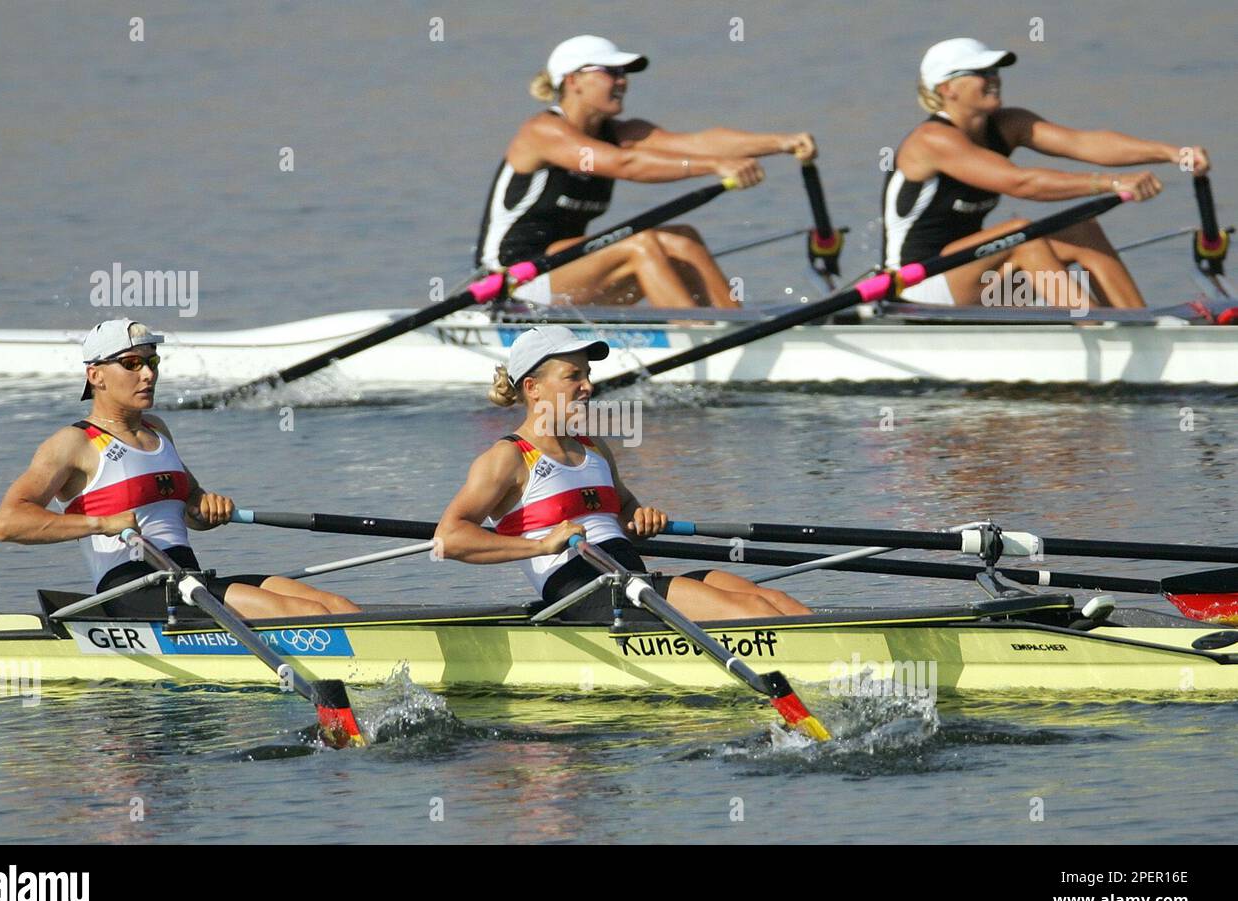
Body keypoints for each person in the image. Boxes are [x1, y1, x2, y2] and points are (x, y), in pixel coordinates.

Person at [434, 325, 811, 621]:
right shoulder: (508, 457)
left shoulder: (594, 448)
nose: (588, 385)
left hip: (629, 579)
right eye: (573, 376)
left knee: (775, 601)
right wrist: (540, 546)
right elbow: (449, 539)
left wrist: (639, 516)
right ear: (532, 388)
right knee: (750, 615)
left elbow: (624, 507)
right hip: (585, 592)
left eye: (587, 373)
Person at [0, 319, 360, 619]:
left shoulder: (157, 430)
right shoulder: (74, 443)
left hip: (188, 580)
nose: (148, 375)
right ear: (95, 375)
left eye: (151, 362)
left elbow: (192, 510)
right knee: (302, 612)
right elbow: (9, 523)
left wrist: (208, 508)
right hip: (135, 592)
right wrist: (101, 524)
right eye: (131, 364)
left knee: (336, 606)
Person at [475, 34, 818, 309]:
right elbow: (626, 165)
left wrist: (781, 142)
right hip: (510, 279)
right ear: (573, 80)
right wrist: (713, 167)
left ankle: (735, 326)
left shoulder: (622, 132)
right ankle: (697, 337)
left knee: (682, 237)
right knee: (640, 243)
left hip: (563, 270)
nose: (622, 82)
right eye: (611, 72)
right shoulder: (543, 132)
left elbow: (698, 143)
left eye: (624, 74)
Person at [883, 37, 1210, 308]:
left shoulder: (1010, 125)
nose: (994, 77)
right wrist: (1113, 183)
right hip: (916, 283)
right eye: (981, 71)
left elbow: (1084, 143)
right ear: (946, 88)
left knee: (1082, 230)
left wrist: (1171, 153)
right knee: (1021, 235)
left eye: (995, 69)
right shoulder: (932, 140)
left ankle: (1139, 325)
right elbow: (1020, 183)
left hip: (973, 276)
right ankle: (1095, 325)